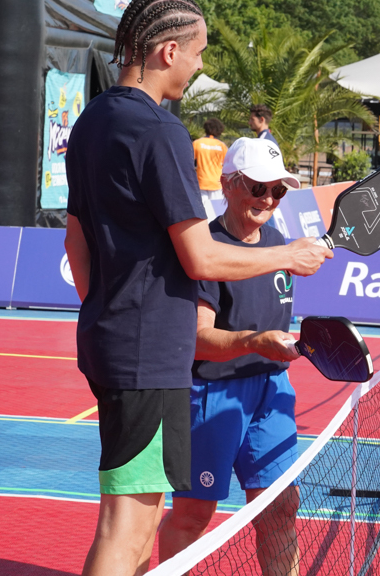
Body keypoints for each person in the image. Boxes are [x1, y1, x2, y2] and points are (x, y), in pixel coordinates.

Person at [64, 0, 331, 576]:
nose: (201, 63)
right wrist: (288, 256)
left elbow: (75, 244)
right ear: (166, 51)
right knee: (129, 529)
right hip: (148, 351)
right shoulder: (159, 131)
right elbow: (201, 257)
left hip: (111, 339)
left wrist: (111, 308)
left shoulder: (90, 122)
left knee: (135, 515)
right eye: (198, 51)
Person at [158, 137, 302, 574]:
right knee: (194, 514)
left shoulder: (278, 242)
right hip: (212, 393)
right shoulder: (205, 247)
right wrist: (254, 341)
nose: (268, 199)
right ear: (228, 184)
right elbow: (198, 339)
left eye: (278, 190)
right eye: (258, 187)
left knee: (280, 509)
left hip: (272, 389)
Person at [193, 117, 228, 220]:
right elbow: (226, 165)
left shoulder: (197, 143)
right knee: (217, 213)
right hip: (217, 184)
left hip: (201, 183)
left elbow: (190, 162)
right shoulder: (222, 146)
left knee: (202, 213)